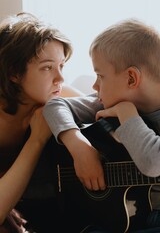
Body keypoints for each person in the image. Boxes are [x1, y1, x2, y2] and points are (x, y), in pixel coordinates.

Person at [43, 19, 160, 232]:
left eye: (100, 76)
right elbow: (54, 107)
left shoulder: (123, 107)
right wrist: (79, 147)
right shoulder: (105, 102)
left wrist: (127, 113)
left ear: (131, 79)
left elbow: (153, 163)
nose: (94, 86)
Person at [0, 12, 83, 233]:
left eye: (62, 66)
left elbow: (100, 105)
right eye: (47, 67)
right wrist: (37, 139)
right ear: (14, 72)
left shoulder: (54, 95)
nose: (60, 78)